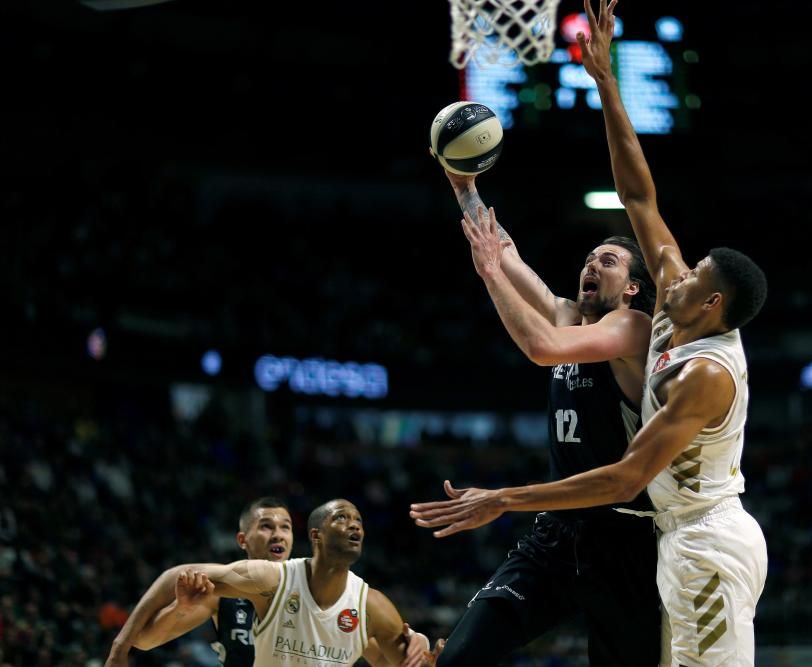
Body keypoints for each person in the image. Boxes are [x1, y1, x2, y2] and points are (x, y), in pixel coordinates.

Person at [410, 2, 770, 665]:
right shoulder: (667, 302)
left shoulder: (698, 368)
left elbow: (627, 472)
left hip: (678, 532)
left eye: (692, 274)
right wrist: (606, 81)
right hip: (581, 528)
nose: (677, 269)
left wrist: (503, 498)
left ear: (712, 302)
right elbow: (638, 197)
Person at [427, 169, 662, 666]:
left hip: (625, 539)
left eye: (609, 260)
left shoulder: (633, 329)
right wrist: (465, 189)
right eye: (589, 259)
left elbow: (541, 348)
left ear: (633, 288)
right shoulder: (567, 315)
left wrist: (489, 274)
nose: (591, 264)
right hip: (556, 534)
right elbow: (505, 251)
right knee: (459, 657)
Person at [107, 499, 437, 667]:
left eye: (285, 527)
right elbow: (147, 640)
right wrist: (179, 611)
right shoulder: (219, 593)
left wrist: (415, 639)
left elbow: (381, 654)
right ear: (243, 540)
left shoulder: (334, 593)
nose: (278, 533)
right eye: (266, 526)